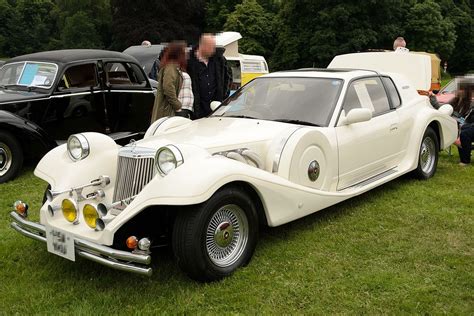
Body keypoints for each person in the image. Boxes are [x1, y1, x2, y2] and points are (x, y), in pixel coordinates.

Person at [187, 33, 231, 119]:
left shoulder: (219, 60)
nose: (213, 50)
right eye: (210, 47)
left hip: (216, 108)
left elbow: (228, 78)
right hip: (198, 109)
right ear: (202, 46)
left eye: (213, 46)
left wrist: (224, 95)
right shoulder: (189, 62)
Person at [150, 41, 188, 122]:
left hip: (167, 110)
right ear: (178, 53)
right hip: (166, 111)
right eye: (184, 51)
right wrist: (178, 106)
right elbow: (168, 88)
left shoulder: (173, 67)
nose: (186, 54)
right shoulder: (171, 68)